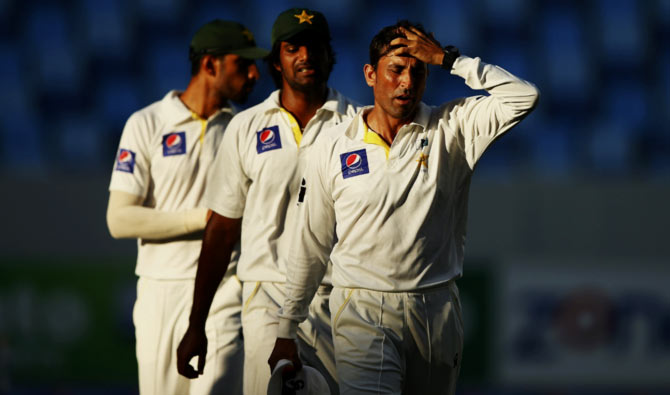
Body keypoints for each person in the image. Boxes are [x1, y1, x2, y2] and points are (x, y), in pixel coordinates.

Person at [269, 20, 540, 394]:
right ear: (370, 74)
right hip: (361, 308)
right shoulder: (332, 145)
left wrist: (449, 59)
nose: (407, 82)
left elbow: (524, 97)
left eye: (418, 71)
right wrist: (287, 329)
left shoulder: (453, 127)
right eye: (396, 69)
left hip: (436, 311)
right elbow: (312, 242)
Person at [176, 8, 359, 395]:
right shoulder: (246, 127)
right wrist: (197, 325)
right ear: (276, 60)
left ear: (330, 55)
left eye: (314, 47)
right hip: (267, 296)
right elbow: (222, 230)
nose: (305, 57)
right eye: (293, 48)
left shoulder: (358, 127)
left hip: (338, 297)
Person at [106, 20, 268, 395]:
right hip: (160, 292)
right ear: (210, 65)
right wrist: (208, 220)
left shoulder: (245, 128)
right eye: (241, 63)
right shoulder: (147, 124)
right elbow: (119, 219)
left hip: (226, 289)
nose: (254, 73)